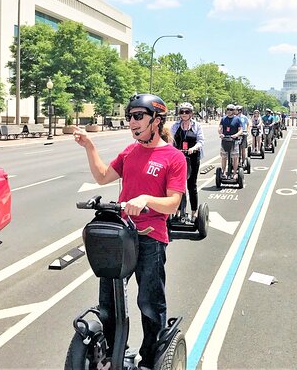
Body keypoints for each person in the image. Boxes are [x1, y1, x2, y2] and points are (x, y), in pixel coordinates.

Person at [73, 94, 186, 370]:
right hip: (121, 237)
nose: (132, 123)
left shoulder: (173, 157)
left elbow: (173, 203)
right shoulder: (130, 152)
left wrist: (146, 199)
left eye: (138, 116)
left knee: (149, 304)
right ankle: (111, 357)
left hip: (151, 238)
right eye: (130, 117)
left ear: (156, 121)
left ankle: (150, 359)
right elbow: (102, 176)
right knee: (108, 304)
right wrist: (89, 146)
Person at [171, 102, 205, 218]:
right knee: (178, 186)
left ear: (191, 113)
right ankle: (178, 211)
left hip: (193, 158)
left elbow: (201, 141)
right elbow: (170, 141)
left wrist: (193, 148)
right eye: (182, 112)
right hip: (178, 158)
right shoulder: (175, 126)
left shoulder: (197, 126)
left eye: (187, 112)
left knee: (191, 185)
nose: (184, 114)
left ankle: (194, 212)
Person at [218, 104, 243, 179]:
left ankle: (235, 173)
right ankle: (223, 172)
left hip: (234, 140)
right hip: (225, 140)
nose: (229, 111)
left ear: (234, 111)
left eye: (231, 110)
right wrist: (220, 133)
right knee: (224, 157)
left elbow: (241, 129)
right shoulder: (223, 119)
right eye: (228, 109)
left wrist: (236, 135)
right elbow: (220, 127)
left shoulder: (237, 119)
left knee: (235, 157)